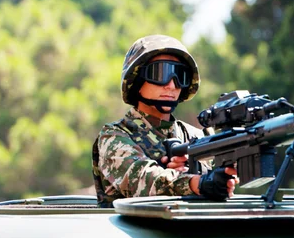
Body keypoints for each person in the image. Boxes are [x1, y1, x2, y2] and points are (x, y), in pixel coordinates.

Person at [93, 34, 238, 207]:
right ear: (137, 81)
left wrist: (213, 174)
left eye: (179, 75)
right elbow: (142, 179)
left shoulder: (197, 135)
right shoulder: (114, 136)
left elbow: (224, 181)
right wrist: (197, 183)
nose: (171, 85)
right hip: (133, 232)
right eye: (160, 73)